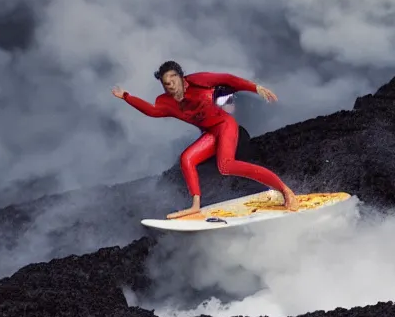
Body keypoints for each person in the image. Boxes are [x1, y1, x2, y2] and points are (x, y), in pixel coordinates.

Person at [111, 60, 299, 219]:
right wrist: (126, 97)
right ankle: (195, 205)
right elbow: (151, 111)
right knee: (187, 158)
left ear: (181, 78)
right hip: (210, 132)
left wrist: (255, 87)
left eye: (173, 80)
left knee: (225, 166)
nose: (171, 86)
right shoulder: (166, 103)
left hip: (225, 125)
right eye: (166, 84)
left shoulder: (198, 81)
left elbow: (226, 79)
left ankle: (284, 190)